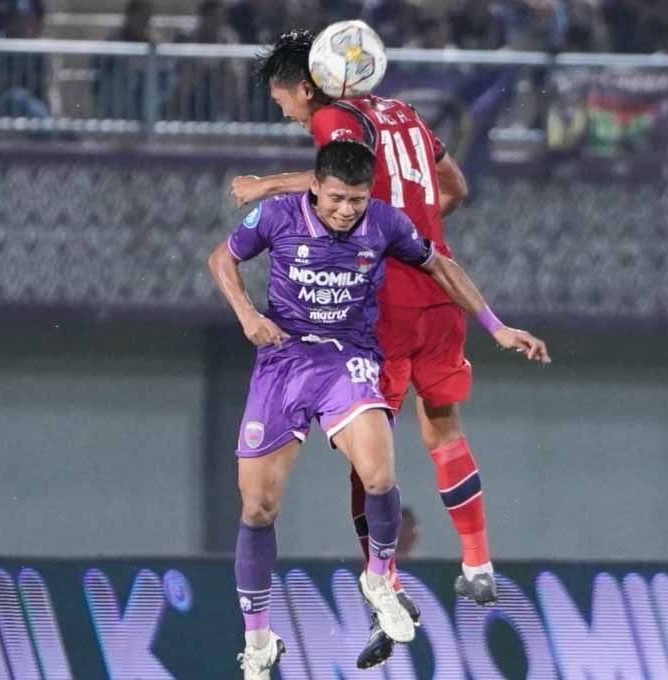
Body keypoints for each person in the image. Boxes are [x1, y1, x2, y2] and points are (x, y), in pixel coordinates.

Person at [208, 140, 550, 679]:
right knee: (257, 509)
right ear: (315, 187)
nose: (347, 210)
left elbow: (441, 266)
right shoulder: (276, 216)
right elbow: (221, 258)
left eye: (358, 200)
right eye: (338, 198)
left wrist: (497, 328)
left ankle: (380, 577)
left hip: (349, 358)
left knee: (379, 472)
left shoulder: (385, 223)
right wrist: (248, 315)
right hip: (283, 361)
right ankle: (259, 641)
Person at [229, 27, 503, 667]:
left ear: (306, 86)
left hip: (380, 305)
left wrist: (269, 185)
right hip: (440, 290)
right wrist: (410, 228)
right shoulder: (405, 112)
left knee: (366, 451)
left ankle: (387, 588)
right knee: (443, 430)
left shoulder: (336, 117)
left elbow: (338, 181)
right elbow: (455, 189)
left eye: (283, 101)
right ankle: (478, 563)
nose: (288, 113)